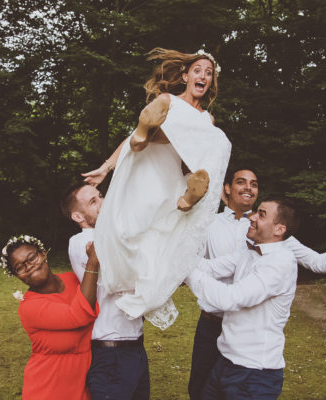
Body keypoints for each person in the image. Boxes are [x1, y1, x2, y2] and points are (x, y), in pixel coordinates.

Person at [188, 167, 326, 399]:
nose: (248, 188)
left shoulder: (279, 243)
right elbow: (201, 263)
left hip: (253, 350)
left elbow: (319, 262)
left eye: (254, 184)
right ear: (227, 188)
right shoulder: (213, 225)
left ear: (279, 229)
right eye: (241, 182)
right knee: (200, 389)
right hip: (215, 328)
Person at [83, 48, 231, 329]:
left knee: (219, 141)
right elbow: (126, 142)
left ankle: (190, 197)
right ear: (186, 75)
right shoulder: (167, 101)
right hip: (145, 161)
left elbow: (195, 162)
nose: (203, 76)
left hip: (171, 175)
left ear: (211, 82)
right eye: (198, 70)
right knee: (130, 225)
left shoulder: (207, 121)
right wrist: (106, 167)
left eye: (208, 73)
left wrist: (195, 176)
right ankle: (144, 131)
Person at [185, 198, 300, 399]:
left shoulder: (280, 262)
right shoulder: (248, 254)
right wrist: (174, 253)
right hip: (224, 363)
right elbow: (208, 268)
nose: (252, 217)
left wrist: (183, 271)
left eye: (261, 214)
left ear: (279, 230)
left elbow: (230, 298)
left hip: (254, 375)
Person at [61, 183, 150, 400]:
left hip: (135, 346)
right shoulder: (81, 242)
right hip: (110, 352)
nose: (103, 202)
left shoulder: (115, 236)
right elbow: (127, 272)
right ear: (77, 216)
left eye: (100, 196)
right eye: (93, 202)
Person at [0, 234, 100, 400]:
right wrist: (93, 263)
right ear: (17, 276)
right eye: (19, 267)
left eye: (31, 257)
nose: (28, 266)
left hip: (83, 384)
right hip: (48, 389)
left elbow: (98, 305)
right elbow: (79, 314)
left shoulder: (73, 279)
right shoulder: (29, 307)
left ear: (43, 253)